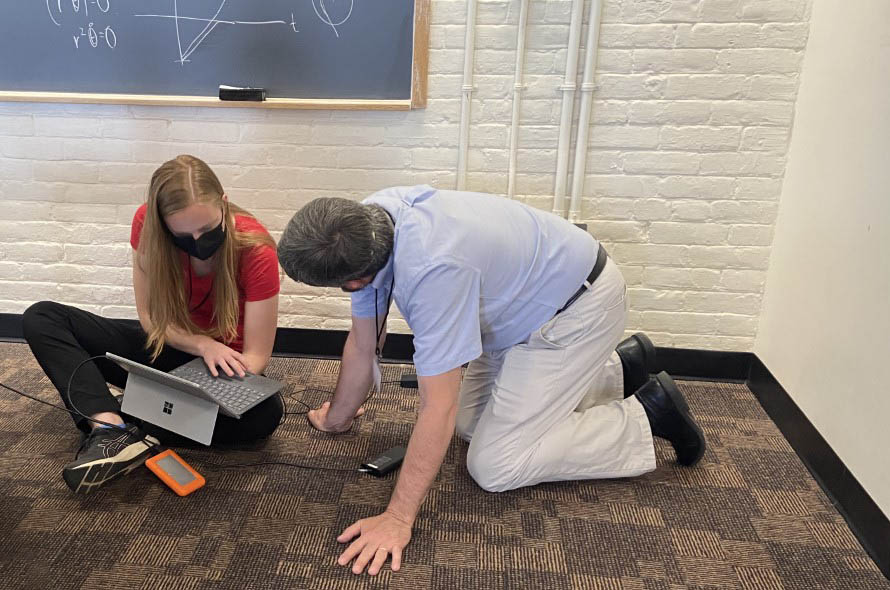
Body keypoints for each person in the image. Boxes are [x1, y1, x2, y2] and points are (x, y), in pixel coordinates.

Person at [276, 184, 706, 576]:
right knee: (469, 426)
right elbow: (363, 339)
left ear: (354, 280)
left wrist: (397, 517)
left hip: (574, 314)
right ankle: (620, 368)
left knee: (495, 465)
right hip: (521, 310)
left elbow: (436, 406)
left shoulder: (432, 271)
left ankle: (648, 415)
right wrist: (337, 417)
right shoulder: (367, 223)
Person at [22, 155, 283, 494]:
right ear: (163, 225)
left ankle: (125, 423)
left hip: (221, 371)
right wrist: (202, 344)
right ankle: (111, 427)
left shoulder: (256, 250)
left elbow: (257, 357)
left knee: (266, 415)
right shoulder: (146, 223)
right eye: (182, 234)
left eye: (206, 229)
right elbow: (151, 321)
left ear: (224, 203)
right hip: (170, 346)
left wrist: (204, 378)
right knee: (43, 317)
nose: (197, 242)